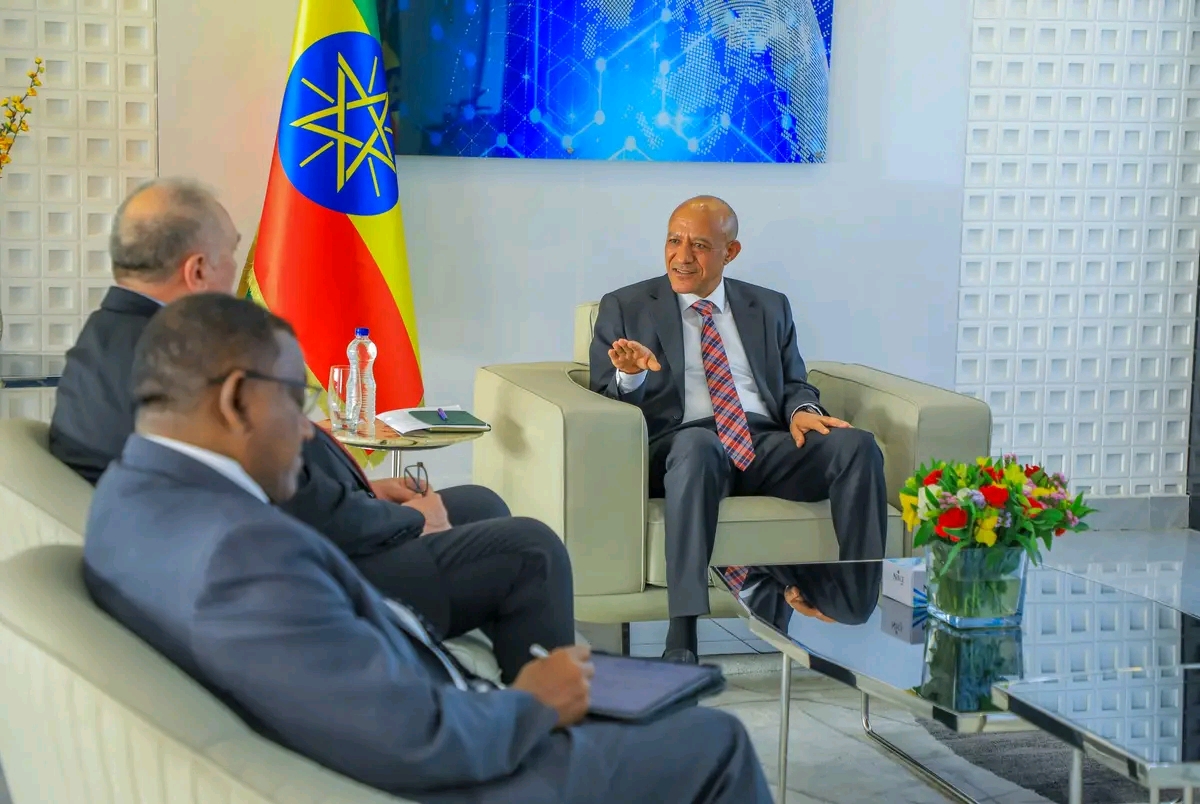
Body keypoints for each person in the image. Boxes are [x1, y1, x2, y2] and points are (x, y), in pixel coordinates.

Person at [83, 294, 772, 803]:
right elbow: (416, 742)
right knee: (714, 742)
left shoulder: (127, 494)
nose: (308, 429)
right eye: (297, 400)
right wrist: (533, 703)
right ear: (237, 400)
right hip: (459, 777)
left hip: (424, 729)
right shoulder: (243, 556)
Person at [51, 178, 574, 681]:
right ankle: (547, 712)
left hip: (285, 535)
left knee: (479, 503)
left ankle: (475, 678)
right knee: (532, 549)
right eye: (233, 252)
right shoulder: (177, 356)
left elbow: (252, 473)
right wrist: (409, 520)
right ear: (199, 269)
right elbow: (289, 502)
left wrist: (367, 490)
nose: (237, 270)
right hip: (305, 568)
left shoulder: (113, 335)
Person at [590, 195, 888, 663]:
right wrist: (631, 376)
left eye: (699, 245)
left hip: (763, 441)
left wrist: (801, 409)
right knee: (698, 446)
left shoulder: (768, 305)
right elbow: (604, 398)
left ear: (731, 252)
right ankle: (682, 638)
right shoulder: (626, 306)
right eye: (673, 240)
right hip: (683, 444)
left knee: (857, 447)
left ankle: (850, 600)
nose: (682, 256)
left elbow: (794, 381)